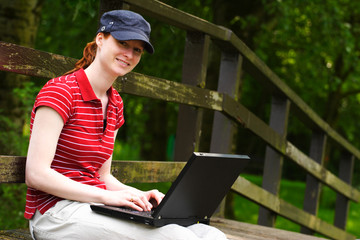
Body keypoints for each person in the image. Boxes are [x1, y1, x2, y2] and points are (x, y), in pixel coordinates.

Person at [24, 10, 228, 240]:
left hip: (94, 206)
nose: (128, 54)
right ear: (100, 39)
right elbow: (36, 174)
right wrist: (107, 198)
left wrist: (139, 195)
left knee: (210, 234)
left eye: (137, 49)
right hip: (55, 213)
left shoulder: (115, 104)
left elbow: (103, 177)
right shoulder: (60, 92)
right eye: (122, 42)